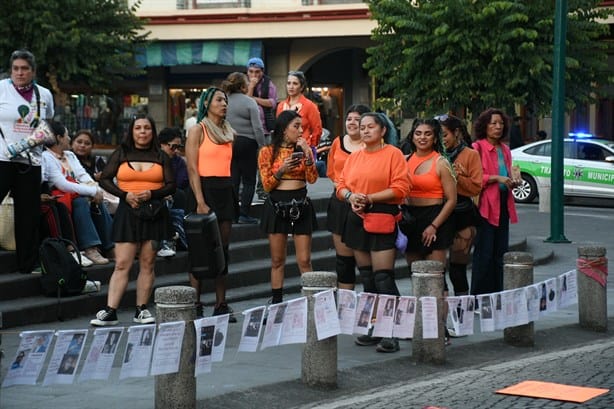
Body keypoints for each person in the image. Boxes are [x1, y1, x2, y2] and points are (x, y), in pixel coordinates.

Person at [90, 114, 176, 326]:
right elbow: (105, 179)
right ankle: (111, 310)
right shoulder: (121, 152)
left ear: (152, 132)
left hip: (154, 213)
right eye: (138, 128)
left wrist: (152, 194)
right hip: (127, 212)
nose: (143, 132)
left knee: (147, 263)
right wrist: (124, 195)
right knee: (122, 263)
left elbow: (172, 185)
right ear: (132, 131)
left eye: (147, 128)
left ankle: (142, 309)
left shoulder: (161, 155)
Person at [336, 112, 410, 353]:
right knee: (367, 277)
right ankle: (374, 327)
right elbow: (341, 184)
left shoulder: (393, 154)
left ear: (383, 131)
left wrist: (369, 198)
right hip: (356, 217)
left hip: (381, 215)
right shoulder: (355, 156)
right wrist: (351, 197)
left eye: (370, 127)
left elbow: (400, 187)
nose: (365, 130)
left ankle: (394, 331)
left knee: (383, 277)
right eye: (362, 126)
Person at [0, 50, 55, 274]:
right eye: (16, 68)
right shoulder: (2, 88)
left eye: (24, 69)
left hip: (31, 160)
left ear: (33, 71)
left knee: (28, 214)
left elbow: (47, 123)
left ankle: (27, 263)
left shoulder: (44, 94)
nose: (20, 73)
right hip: (2, 157)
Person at [185, 87, 237, 322]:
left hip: (225, 189)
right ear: (207, 104)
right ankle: (195, 303)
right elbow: (192, 168)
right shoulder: (198, 129)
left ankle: (221, 303)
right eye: (219, 100)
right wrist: (199, 200)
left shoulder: (229, 132)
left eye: (225, 100)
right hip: (203, 189)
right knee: (200, 250)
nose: (224, 103)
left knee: (222, 250)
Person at [403, 119, 457, 345]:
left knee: (436, 278)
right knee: (416, 276)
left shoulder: (441, 162)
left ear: (435, 137)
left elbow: (452, 200)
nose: (422, 137)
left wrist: (434, 225)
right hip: (410, 219)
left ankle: (440, 328)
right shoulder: (404, 160)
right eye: (418, 133)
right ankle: (420, 325)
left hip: (436, 218)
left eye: (427, 133)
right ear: (412, 136)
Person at [258, 110, 318, 305]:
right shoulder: (267, 151)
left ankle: (311, 302)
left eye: (302, 126)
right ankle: (276, 301)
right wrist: (282, 169)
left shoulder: (303, 149)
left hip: (301, 201)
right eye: (296, 126)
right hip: (276, 203)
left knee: (305, 260)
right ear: (284, 130)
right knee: (277, 260)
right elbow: (266, 186)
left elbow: (312, 179)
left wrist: (308, 154)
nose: (301, 130)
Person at [42, 121, 113, 265]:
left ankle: (110, 246)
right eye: (67, 136)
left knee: (97, 203)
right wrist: (92, 191)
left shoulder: (69, 155)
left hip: (77, 192)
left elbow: (82, 176)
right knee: (80, 201)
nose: (69, 138)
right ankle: (89, 247)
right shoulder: (47, 157)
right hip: (61, 196)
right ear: (59, 138)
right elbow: (62, 184)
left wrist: (95, 188)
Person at [470, 108, 519, 297]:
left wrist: (513, 181)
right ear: (485, 126)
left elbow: (508, 174)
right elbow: (473, 178)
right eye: (493, 123)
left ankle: (497, 295)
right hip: (485, 206)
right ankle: (479, 296)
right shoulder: (477, 147)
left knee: (501, 253)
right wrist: (496, 178)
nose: (498, 127)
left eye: (500, 123)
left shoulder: (505, 149)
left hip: (503, 203)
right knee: (484, 253)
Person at [325, 104, 370, 290]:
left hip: (364, 204)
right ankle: (345, 308)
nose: (352, 123)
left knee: (367, 264)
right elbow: (331, 172)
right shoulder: (337, 142)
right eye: (349, 119)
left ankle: (372, 308)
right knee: (344, 261)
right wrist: (344, 191)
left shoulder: (372, 146)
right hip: (341, 202)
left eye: (357, 120)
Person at [440, 115, 482, 297]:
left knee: (457, 270)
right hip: (437, 213)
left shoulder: (470, 154)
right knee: (437, 271)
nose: (441, 139)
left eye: (444, 134)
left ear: (456, 132)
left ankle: (462, 315)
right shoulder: (434, 154)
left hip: (462, 214)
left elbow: (476, 187)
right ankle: (440, 315)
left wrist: (459, 177)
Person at [223, 72, 265, 224]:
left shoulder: (224, 101)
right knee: (248, 180)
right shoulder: (249, 102)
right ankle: (244, 214)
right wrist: (262, 146)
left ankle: (233, 214)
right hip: (248, 142)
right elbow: (258, 128)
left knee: (234, 179)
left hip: (230, 142)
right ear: (242, 86)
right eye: (247, 82)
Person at [246, 57, 277, 201]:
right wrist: (251, 88)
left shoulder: (268, 84)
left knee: (263, 162)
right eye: (251, 72)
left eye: (257, 72)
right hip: (247, 130)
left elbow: (272, 103)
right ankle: (245, 193)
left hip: (265, 130)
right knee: (247, 163)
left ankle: (262, 191)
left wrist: (254, 99)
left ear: (262, 72)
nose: (254, 75)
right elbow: (244, 101)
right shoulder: (244, 84)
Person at [157, 127, 190, 257]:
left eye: (179, 147)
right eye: (173, 147)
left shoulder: (178, 161)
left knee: (180, 193)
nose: (176, 150)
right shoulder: (154, 159)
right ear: (162, 145)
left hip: (173, 194)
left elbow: (182, 180)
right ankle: (173, 237)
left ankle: (178, 234)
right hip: (156, 194)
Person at [276, 71, 323, 149]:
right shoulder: (281, 105)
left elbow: (317, 130)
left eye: (295, 83)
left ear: (301, 87)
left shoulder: (310, 106)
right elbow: (278, 129)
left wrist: (310, 147)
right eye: (288, 83)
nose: (291, 86)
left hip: (302, 148)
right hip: (283, 148)